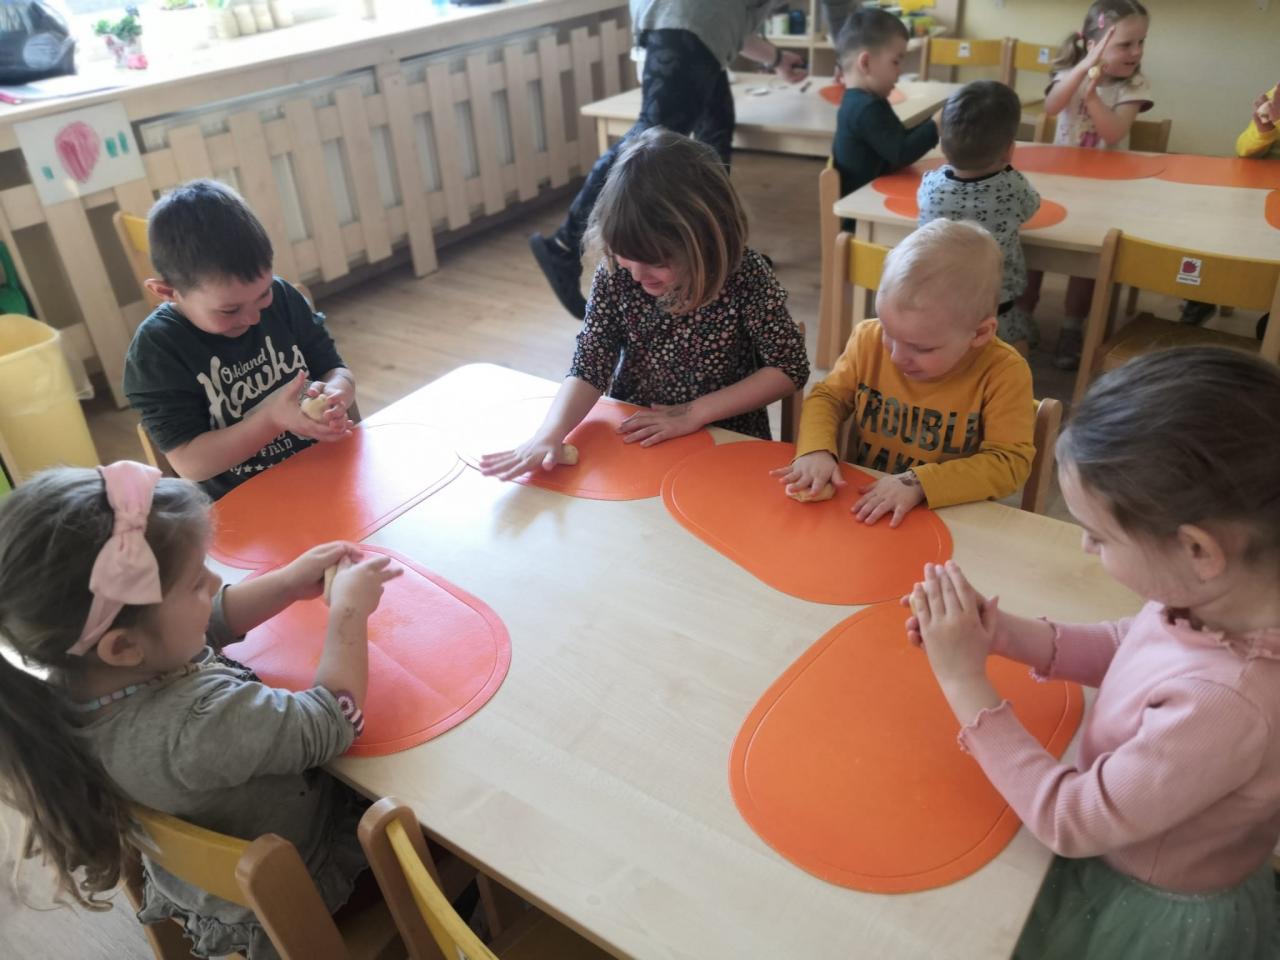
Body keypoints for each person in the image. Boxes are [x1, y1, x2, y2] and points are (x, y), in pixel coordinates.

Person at [906, 346, 1280, 960]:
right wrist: (1004, 636)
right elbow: (1131, 644)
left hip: (1142, 902)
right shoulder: (1220, 597)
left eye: (1099, 536)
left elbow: (1072, 821)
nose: (1084, 547)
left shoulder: (1227, 703)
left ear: (1197, 550)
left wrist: (962, 680)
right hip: (1122, 832)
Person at [0, 461, 400, 958]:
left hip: (209, 886)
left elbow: (201, 624)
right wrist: (350, 611)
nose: (213, 583)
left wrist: (287, 583)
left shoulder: (73, 682)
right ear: (122, 646)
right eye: (194, 582)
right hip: (308, 888)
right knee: (431, 809)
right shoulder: (196, 729)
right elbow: (330, 721)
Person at [482, 128, 809, 479]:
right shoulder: (616, 271)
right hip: (638, 432)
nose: (637, 275)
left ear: (706, 240)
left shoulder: (745, 274)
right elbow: (590, 362)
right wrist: (550, 432)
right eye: (626, 258)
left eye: (656, 262)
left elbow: (789, 368)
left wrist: (695, 412)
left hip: (726, 436)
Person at [529, 0, 855, 319]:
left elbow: (727, 19)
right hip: (684, 21)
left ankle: (720, 250)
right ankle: (564, 246)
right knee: (649, 143)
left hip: (696, 28)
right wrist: (849, 60)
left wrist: (778, 58)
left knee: (715, 132)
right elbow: (843, 16)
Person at [775, 219, 1035, 527]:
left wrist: (919, 483)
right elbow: (828, 397)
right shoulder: (868, 340)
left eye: (921, 348)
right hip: (865, 504)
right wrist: (817, 449)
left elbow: (1009, 464)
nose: (897, 356)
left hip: (949, 516)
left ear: (979, 334)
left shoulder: (1004, 372)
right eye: (888, 331)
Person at [123, 179, 357, 500]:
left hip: (329, 469)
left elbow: (336, 370)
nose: (253, 318)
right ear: (167, 292)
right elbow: (191, 463)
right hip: (247, 502)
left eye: (263, 294)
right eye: (229, 310)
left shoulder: (284, 298)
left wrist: (335, 393)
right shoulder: (157, 352)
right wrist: (273, 420)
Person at [1017, 0, 1152, 369]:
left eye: (1141, 42)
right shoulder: (1069, 73)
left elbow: (1113, 131)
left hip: (1105, 188)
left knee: (1087, 259)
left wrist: (1091, 98)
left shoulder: (1133, 85)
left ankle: (1072, 326)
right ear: (1092, 45)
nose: (1136, 52)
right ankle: (1023, 314)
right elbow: (1052, 106)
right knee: (1036, 241)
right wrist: (1082, 70)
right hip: (1059, 181)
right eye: (1125, 44)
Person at [917, 80, 1041, 350]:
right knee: (1014, 347)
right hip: (997, 307)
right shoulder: (1012, 187)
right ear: (1009, 150)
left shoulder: (931, 186)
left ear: (943, 145)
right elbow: (1032, 207)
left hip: (941, 303)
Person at [831, 8, 939, 199]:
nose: (900, 71)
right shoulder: (867, 108)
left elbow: (898, 139)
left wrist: (931, 121)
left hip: (868, 193)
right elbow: (902, 152)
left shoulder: (857, 101)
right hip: (862, 204)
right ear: (865, 63)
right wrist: (937, 125)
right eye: (895, 62)